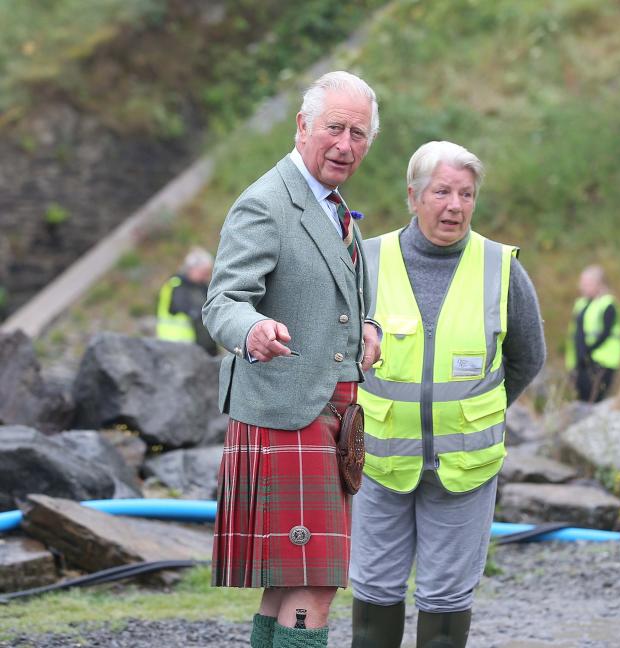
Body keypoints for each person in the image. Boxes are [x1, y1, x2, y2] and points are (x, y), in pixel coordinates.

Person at [201, 71, 382, 648]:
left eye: (358, 133)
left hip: (328, 412)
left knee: (288, 584)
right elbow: (223, 300)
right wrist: (252, 328)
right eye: (335, 128)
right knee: (316, 583)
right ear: (302, 126)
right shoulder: (266, 202)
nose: (345, 144)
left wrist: (368, 330)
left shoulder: (331, 204)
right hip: (287, 410)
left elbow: (340, 302)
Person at [349, 141, 546, 648]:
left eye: (466, 194)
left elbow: (529, 357)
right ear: (413, 196)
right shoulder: (365, 261)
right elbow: (336, 350)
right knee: (373, 588)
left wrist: (478, 411)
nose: (454, 206)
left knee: (447, 600)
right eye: (441, 192)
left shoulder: (501, 268)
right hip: (379, 462)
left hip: (466, 468)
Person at [564, 264, 620, 402]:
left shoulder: (608, 305)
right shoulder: (582, 304)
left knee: (594, 400)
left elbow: (605, 333)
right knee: (581, 400)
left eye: (586, 283)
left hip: (602, 362)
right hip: (581, 362)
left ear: (599, 284)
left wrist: (588, 351)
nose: (581, 286)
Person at [156, 247, 218, 355]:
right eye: (204, 272)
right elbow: (182, 307)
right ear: (192, 269)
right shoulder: (177, 285)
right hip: (177, 344)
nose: (207, 276)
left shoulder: (201, 286)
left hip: (202, 345)